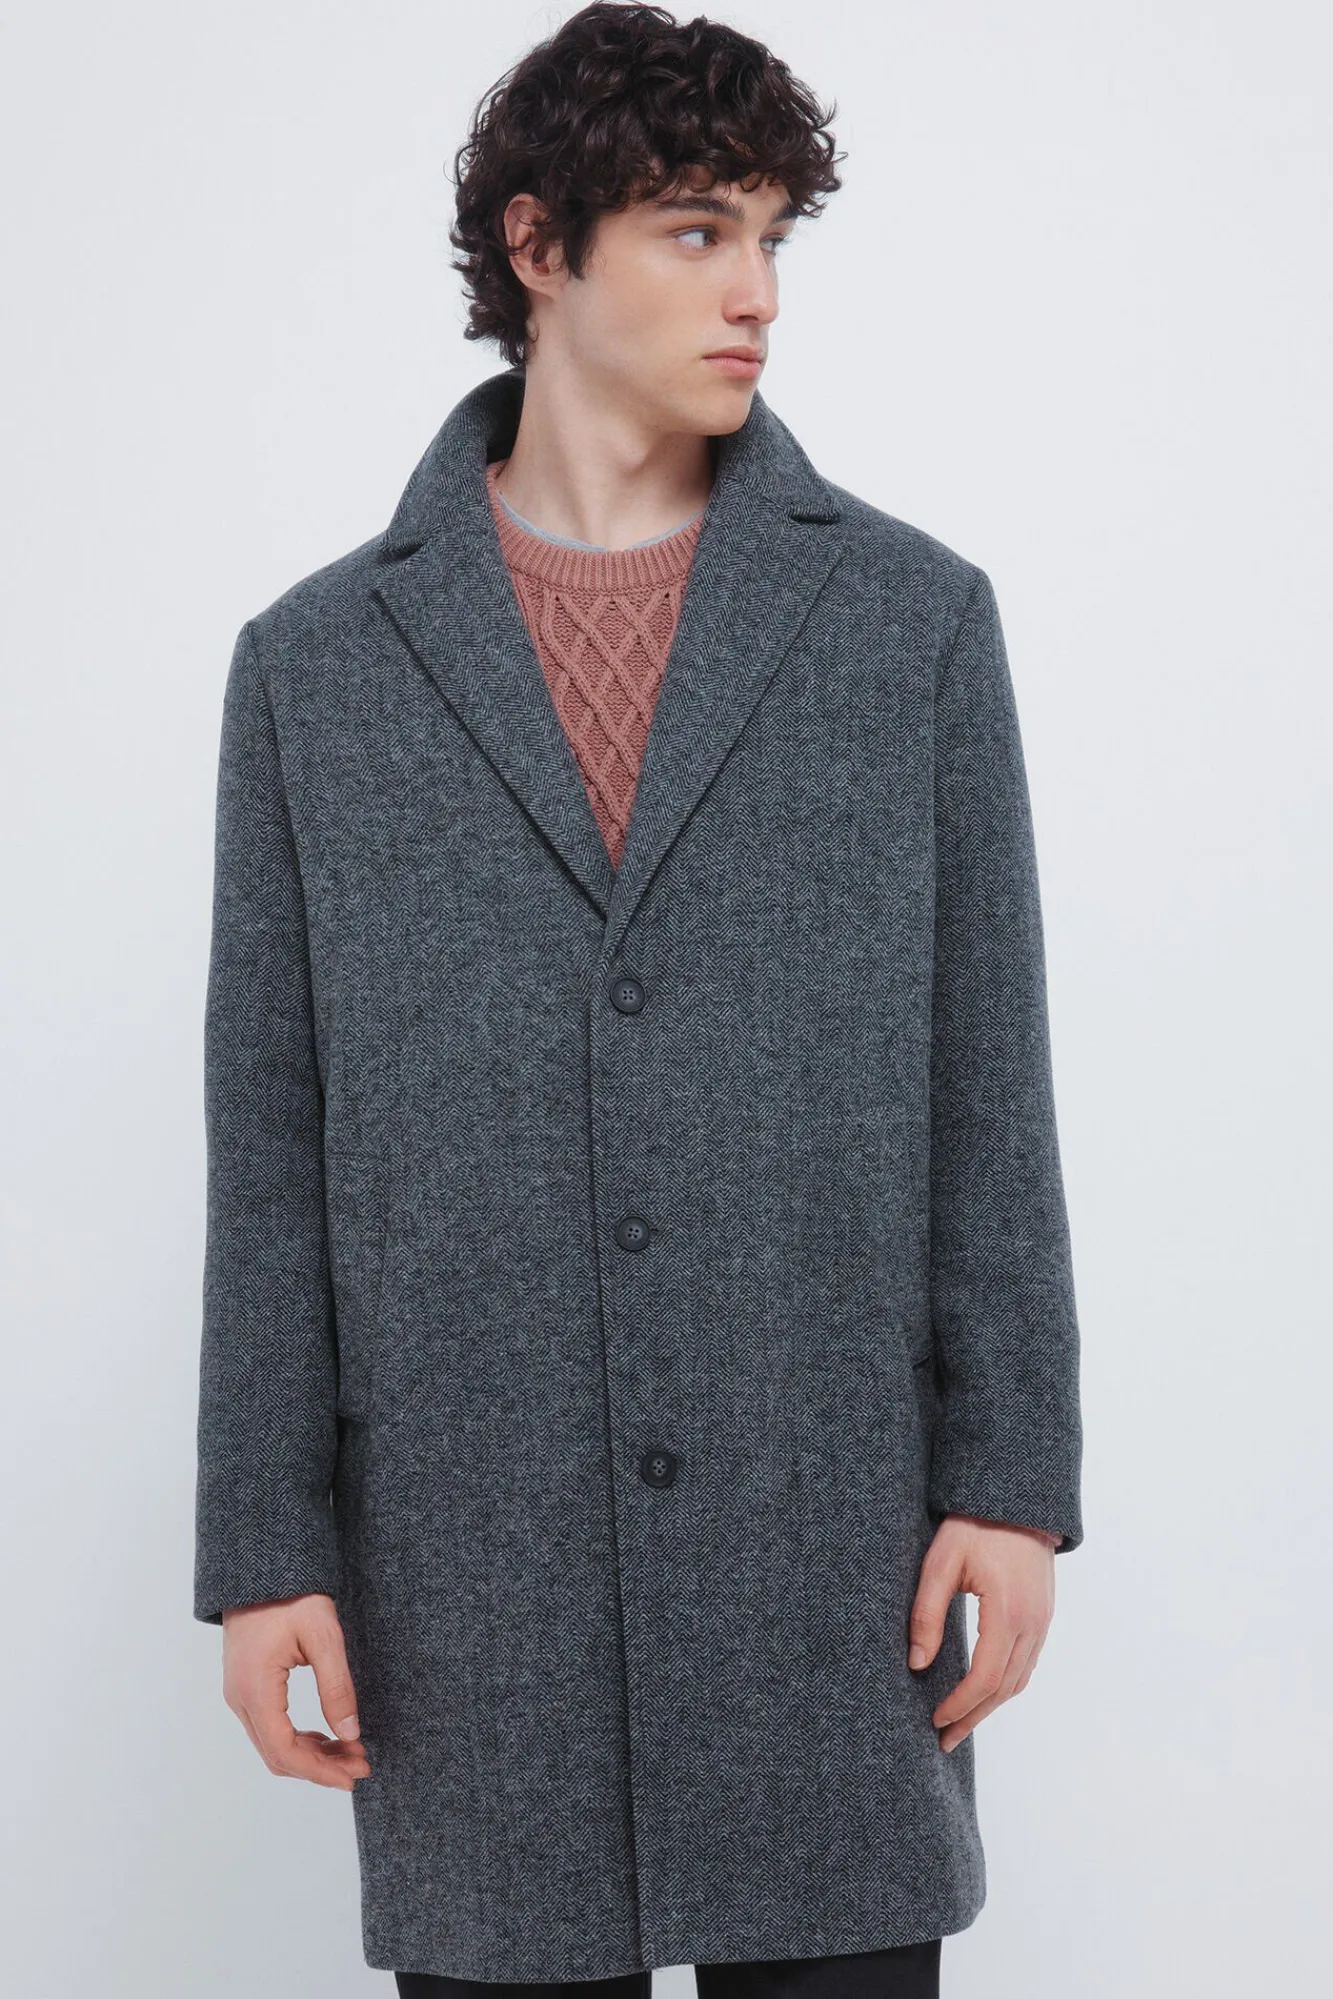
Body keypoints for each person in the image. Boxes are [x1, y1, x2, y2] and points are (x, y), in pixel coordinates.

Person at [194, 6, 1083, 1995]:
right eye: (697, 230)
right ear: (539, 245)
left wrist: (1012, 1482)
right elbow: (271, 1143)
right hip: (469, 1570)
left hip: (825, 1542)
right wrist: (264, 1548)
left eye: (773, 235)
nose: (758, 291)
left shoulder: (912, 625)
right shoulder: (317, 671)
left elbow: (988, 1085)